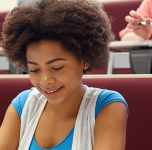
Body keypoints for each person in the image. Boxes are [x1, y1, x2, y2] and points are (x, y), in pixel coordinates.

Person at [0, 0, 128, 150]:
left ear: (84, 59)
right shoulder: (22, 105)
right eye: (34, 69)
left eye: (57, 67)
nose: (45, 80)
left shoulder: (108, 106)